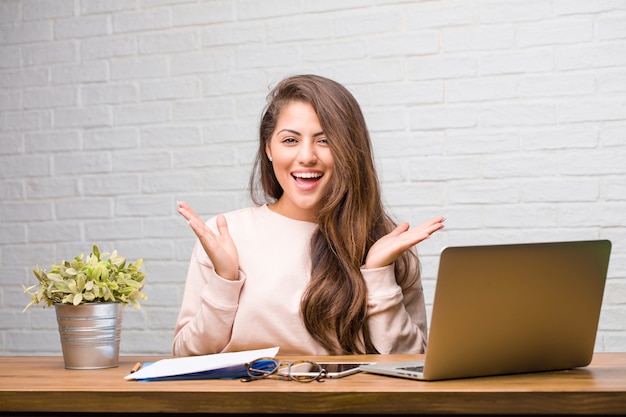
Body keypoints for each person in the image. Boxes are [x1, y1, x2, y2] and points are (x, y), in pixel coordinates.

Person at [173, 74, 445, 357]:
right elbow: (185, 356)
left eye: (325, 140)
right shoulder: (226, 235)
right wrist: (225, 280)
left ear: (349, 150)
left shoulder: (386, 243)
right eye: (290, 140)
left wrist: (377, 274)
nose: (306, 156)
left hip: (353, 401)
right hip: (247, 399)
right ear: (268, 148)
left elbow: (411, 362)